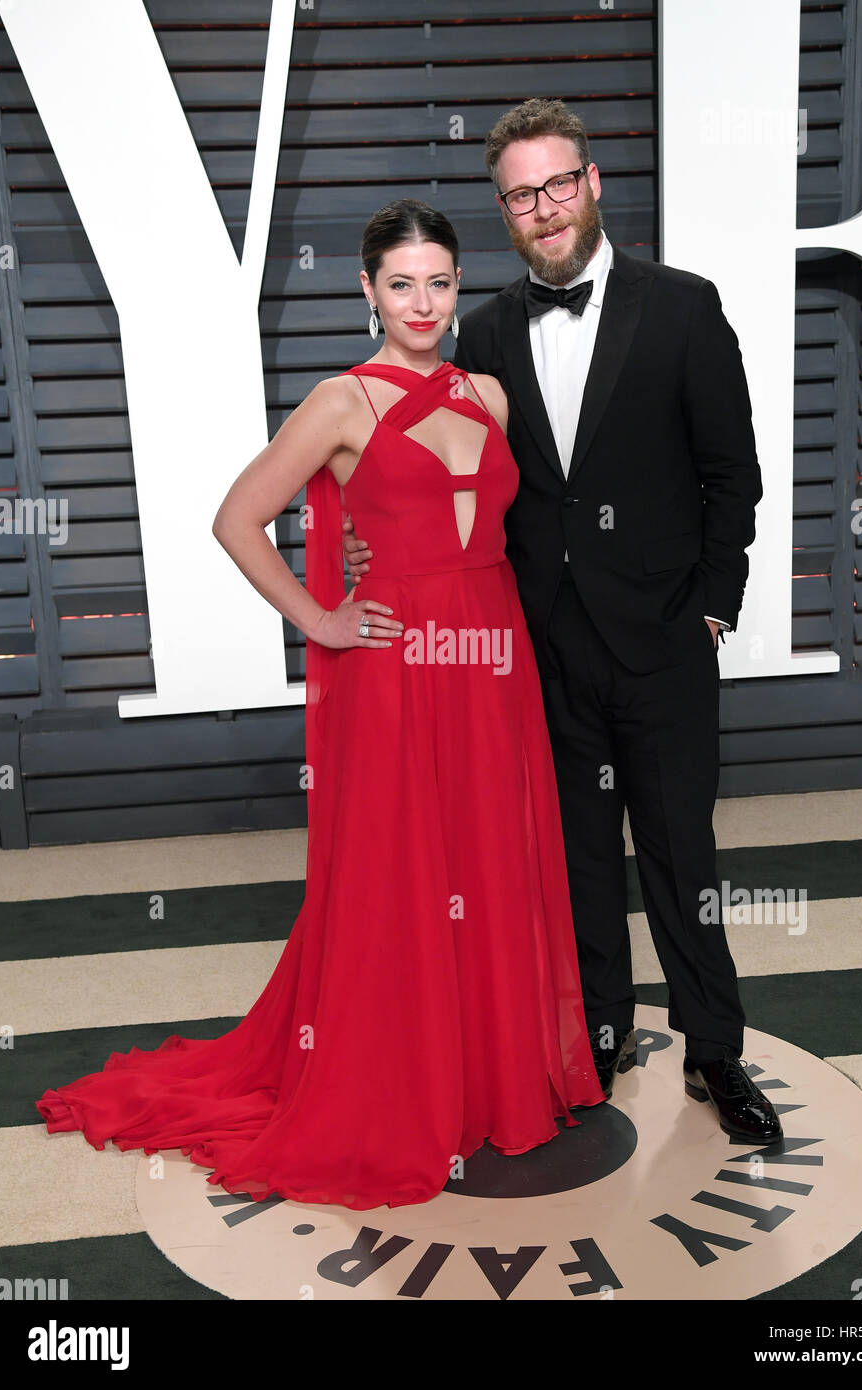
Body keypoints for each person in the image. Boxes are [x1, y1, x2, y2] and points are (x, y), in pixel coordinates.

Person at [33, 198, 607, 1212]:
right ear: (366, 289)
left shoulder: (488, 392)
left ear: (456, 283)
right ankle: (405, 1079)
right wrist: (324, 619)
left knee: (490, 855)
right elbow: (238, 517)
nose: (422, 302)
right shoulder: (342, 400)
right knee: (402, 865)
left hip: (490, 655)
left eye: (438, 281)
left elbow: (469, 528)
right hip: (395, 666)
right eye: (401, 284)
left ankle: (491, 1076)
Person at [343, 99, 782, 1144]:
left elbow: (735, 476)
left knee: (682, 854)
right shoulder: (484, 328)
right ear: (504, 211)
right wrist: (365, 552)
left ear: (589, 185)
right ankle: (593, 1031)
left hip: (668, 639)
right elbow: (441, 483)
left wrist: (713, 609)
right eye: (519, 195)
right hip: (544, 648)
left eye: (556, 184)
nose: (541, 208)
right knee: (575, 855)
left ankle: (714, 1050)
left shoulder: (682, 306)